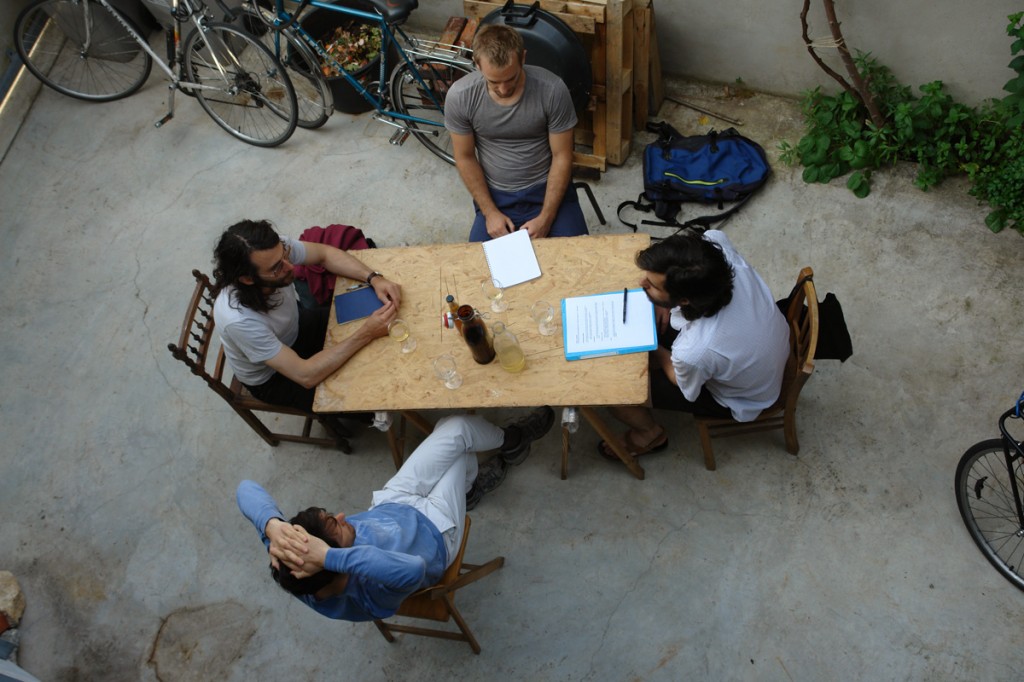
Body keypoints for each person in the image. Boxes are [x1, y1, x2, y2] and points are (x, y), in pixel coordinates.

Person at [237, 408, 555, 622]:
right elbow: (414, 569)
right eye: (338, 526)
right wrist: (329, 557)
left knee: (455, 426)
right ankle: (506, 449)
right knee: (461, 442)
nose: (346, 515)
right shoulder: (372, 596)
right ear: (337, 560)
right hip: (436, 530)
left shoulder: (296, 563)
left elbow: (245, 489)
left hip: (393, 504)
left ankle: (488, 469)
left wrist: (272, 525)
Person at [600, 230, 790, 457]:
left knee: (615, 392)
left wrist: (657, 352)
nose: (642, 283)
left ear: (684, 300)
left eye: (652, 285)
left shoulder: (695, 351)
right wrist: (664, 300)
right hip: (765, 345)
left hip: (745, 397)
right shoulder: (715, 246)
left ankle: (649, 435)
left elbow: (681, 383)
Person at [211, 219, 401, 414]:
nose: (290, 266)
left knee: (373, 317)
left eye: (285, 254)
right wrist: (366, 333)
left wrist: (374, 278)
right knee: (367, 400)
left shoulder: (274, 252)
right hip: (274, 377)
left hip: (296, 327)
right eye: (277, 268)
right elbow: (306, 375)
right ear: (248, 279)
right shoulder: (239, 321)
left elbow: (325, 254)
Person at [444, 24, 588, 242]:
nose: (503, 89)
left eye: (511, 78)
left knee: (577, 259)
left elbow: (563, 156)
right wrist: (490, 212)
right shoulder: (461, 96)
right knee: (480, 268)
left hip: (546, 191)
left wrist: (547, 217)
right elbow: (464, 157)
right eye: (493, 82)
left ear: (523, 58)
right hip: (496, 196)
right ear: (477, 65)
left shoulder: (551, 89)